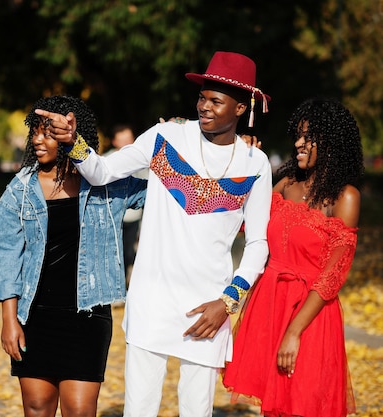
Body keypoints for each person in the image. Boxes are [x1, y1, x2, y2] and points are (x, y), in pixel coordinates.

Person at [38, 51, 273, 417]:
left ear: (241, 108)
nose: (204, 107)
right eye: (201, 97)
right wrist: (72, 141)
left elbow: (258, 242)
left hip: (209, 308)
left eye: (216, 100)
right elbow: (101, 172)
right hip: (152, 300)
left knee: (198, 410)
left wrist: (228, 302)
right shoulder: (166, 136)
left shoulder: (255, 164)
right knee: (140, 410)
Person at [0, 96, 147, 417]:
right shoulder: (20, 190)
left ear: (71, 135)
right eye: (34, 132)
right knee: (37, 407)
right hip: (35, 315)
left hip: (88, 316)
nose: (36, 139)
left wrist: (227, 152)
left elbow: (164, 188)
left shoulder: (106, 185)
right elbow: (5, 256)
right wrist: (9, 321)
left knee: (79, 409)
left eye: (47, 133)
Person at [222, 97, 363, 417]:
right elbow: (243, 223)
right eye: (297, 135)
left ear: (330, 142)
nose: (298, 143)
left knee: (302, 405)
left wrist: (294, 332)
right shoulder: (285, 183)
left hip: (309, 317)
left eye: (307, 137)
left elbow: (332, 276)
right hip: (269, 306)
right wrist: (239, 162)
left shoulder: (345, 197)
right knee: (273, 408)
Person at [104, 125, 146, 286]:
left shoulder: (143, 163)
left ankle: (127, 284)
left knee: (129, 253)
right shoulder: (106, 162)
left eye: (128, 140)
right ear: (115, 142)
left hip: (133, 217)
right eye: (122, 141)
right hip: (113, 217)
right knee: (113, 254)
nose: (126, 144)